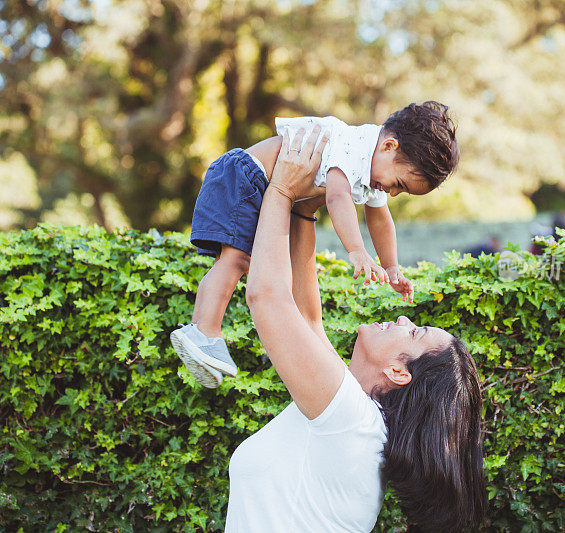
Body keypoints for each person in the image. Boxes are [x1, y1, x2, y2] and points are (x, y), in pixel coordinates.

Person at [224, 126, 486, 532]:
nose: (402, 319)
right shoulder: (360, 421)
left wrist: (280, 190)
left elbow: (267, 298)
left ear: (400, 373)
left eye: (413, 333)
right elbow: (307, 317)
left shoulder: (353, 422)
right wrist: (303, 211)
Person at [170, 102, 459, 388]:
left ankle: (201, 331)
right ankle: (204, 332)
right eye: (398, 183)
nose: (393, 193)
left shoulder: (373, 167)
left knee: (235, 262)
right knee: (236, 261)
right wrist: (356, 250)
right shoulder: (353, 147)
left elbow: (381, 218)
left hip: (254, 182)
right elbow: (337, 198)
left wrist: (392, 266)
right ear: (388, 146)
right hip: (246, 175)